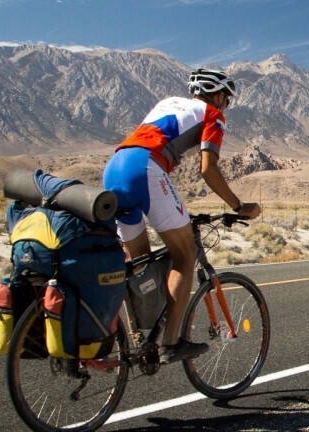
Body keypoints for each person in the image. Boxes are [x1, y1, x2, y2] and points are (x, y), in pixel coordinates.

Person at [103, 67, 262, 363]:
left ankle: (141, 340)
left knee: (140, 266)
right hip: (146, 169)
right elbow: (207, 169)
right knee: (186, 254)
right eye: (226, 99)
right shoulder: (212, 115)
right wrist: (239, 206)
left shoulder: (166, 103)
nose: (225, 105)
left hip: (115, 168)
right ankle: (171, 344)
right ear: (217, 94)